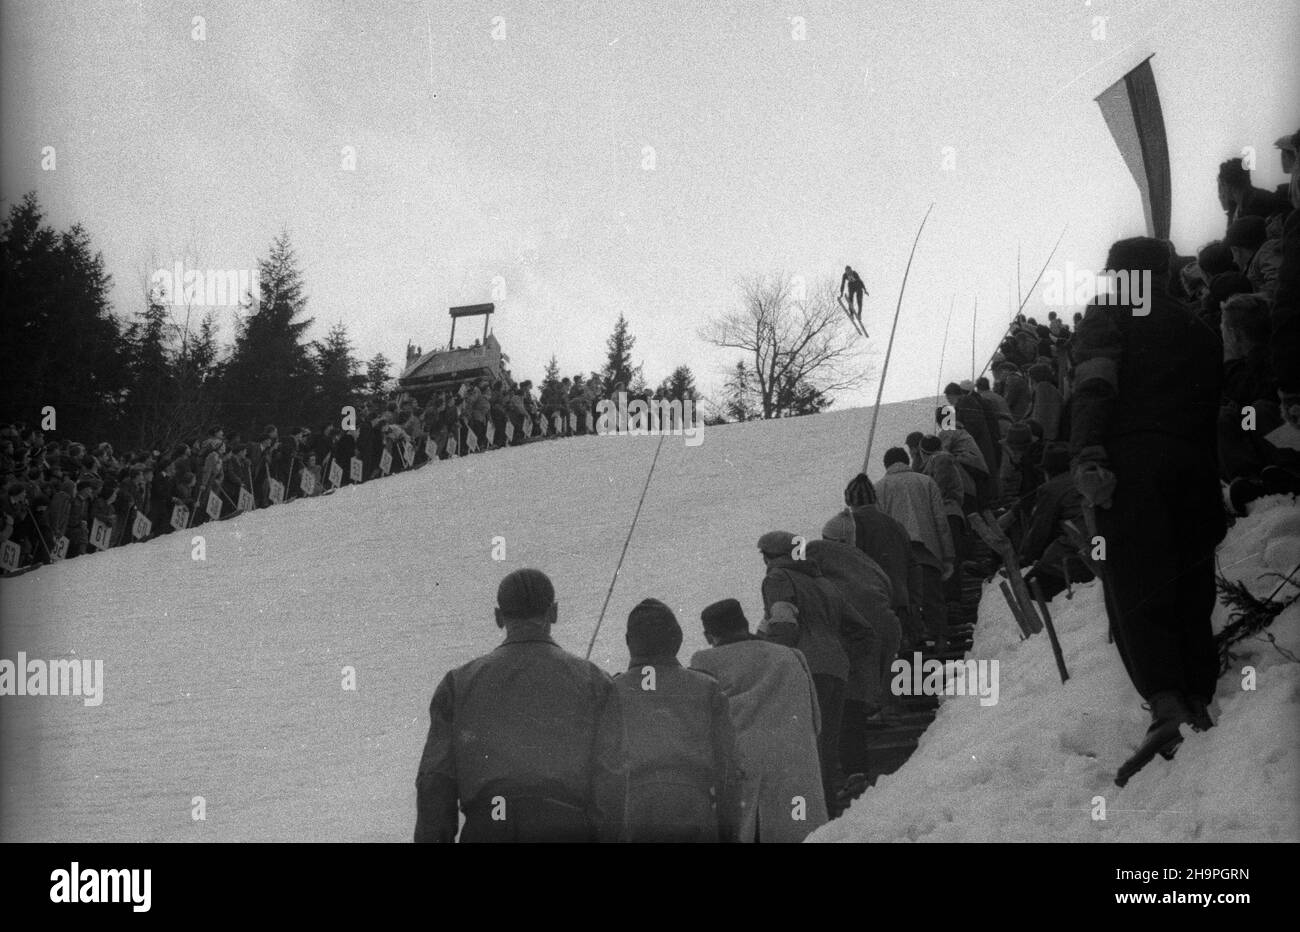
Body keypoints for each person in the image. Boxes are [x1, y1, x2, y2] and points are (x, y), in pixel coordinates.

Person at [1070, 237, 1226, 778]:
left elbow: (1095, 383)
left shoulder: (1110, 315)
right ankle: (1198, 698)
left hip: (1133, 465)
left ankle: (1165, 704)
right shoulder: (1196, 326)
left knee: (1137, 582)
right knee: (1190, 584)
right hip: (1196, 467)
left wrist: (1088, 452)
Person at [414, 568, 627, 842]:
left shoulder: (458, 684)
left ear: (498, 617)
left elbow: (435, 782)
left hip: (488, 828)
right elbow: (612, 783)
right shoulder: (595, 682)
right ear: (554, 612)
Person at [690, 598, 828, 842]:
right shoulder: (790, 656)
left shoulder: (704, 663)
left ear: (709, 635)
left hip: (743, 775)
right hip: (795, 769)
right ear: (745, 623)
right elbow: (816, 721)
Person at [613, 598, 741, 842]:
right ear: (678, 638)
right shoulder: (707, 688)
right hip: (693, 810)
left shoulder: (611, 691)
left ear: (629, 642)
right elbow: (729, 772)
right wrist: (729, 833)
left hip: (632, 812)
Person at [756, 529, 863, 811]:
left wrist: (770, 663)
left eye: (765, 557)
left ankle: (815, 815)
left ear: (772, 557)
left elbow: (784, 622)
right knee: (826, 746)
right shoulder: (823, 583)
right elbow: (860, 629)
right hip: (836, 669)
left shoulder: (778, 578)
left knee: (805, 748)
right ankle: (827, 809)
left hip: (804, 667)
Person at [874, 448, 955, 650]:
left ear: (886, 465)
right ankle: (941, 638)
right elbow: (940, 520)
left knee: (903, 598)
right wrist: (948, 556)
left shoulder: (879, 488)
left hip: (896, 551)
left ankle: (910, 640)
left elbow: (880, 525)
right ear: (906, 461)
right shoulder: (926, 482)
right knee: (932, 594)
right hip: (927, 548)